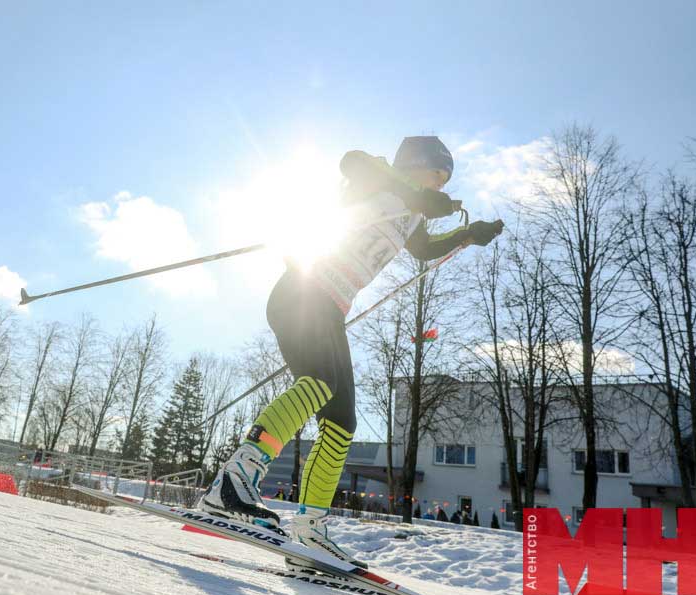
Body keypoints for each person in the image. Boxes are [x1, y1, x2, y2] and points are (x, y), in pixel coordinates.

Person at [199, 136, 503, 569]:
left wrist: (468, 234)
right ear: (413, 166)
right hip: (302, 291)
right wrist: (414, 194)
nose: (439, 185)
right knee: (319, 384)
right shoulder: (378, 177)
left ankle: (309, 529)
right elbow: (351, 161)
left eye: (445, 180)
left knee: (342, 420)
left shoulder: (414, 214)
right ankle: (235, 480)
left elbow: (424, 250)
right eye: (435, 174)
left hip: (331, 308)